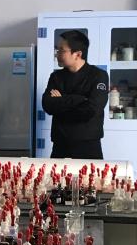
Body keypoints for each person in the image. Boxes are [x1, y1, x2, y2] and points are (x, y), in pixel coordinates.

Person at [41, 29, 110, 159]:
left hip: (88, 146)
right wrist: (80, 100)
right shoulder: (56, 77)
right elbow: (48, 105)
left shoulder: (98, 75)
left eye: (61, 50)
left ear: (77, 54)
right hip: (60, 146)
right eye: (57, 50)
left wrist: (62, 101)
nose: (57, 54)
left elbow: (92, 109)